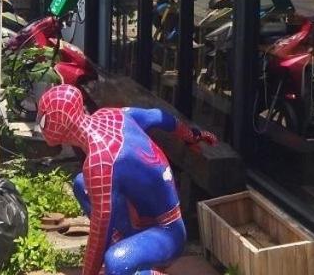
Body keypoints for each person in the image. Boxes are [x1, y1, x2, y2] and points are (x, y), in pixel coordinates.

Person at [37, 85, 216, 275]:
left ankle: (146, 268)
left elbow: (100, 232)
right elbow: (155, 116)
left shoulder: (99, 162)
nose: (41, 124)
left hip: (168, 232)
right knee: (82, 184)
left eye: (43, 120)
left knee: (116, 263)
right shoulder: (111, 115)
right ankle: (127, 246)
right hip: (139, 219)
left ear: (59, 125)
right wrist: (191, 136)